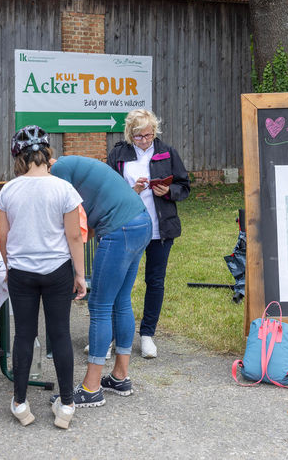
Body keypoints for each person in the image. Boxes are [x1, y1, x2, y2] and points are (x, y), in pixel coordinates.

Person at [0, 126, 86, 429]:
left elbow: (3, 236)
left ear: (19, 157)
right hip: (57, 269)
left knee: (23, 334)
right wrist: (80, 275)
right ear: (47, 154)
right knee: (60, 334)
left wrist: (9, 267)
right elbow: (74, 235)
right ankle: (68, 406)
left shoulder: (8, 190)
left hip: (22, 271)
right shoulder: (63, 189)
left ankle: (20, 403)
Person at [49, 154, 151, 408]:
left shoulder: (59, 171)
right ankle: (120, 376)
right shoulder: (74, 165)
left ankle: (91, 387)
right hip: (141, 221)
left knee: (100, 305)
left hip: (120, 229)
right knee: (120, 301)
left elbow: (69, 221)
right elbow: (87, 223)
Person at [107, 109, 190, 358]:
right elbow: (107, 188)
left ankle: (147, 335)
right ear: (129, 134)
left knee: (155, 281)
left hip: (159, 228)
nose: (144, 140)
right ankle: (109, 336)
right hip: (126, 226)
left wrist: (168, 192)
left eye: (148, 135)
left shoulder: (167, 152)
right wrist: (132, 189)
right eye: (139, 136)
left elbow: (184, 186)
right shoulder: (119, 154)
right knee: (119, 283)